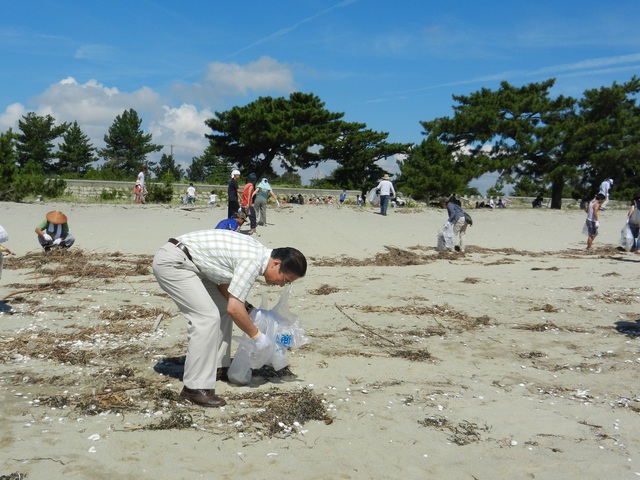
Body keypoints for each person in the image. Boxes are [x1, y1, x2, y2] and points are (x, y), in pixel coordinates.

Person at [152, 230, 307, 407]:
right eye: (284, 280)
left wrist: (252, 312)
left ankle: (218, 367)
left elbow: (226, 289)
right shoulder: (253, 260)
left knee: (220, 310)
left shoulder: (257, 254)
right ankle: (195, 387)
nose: (281, 285)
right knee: (206, 318)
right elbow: (234, 308)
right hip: (175, 263)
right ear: (276, 264)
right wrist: (258, 337)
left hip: (194, 267)